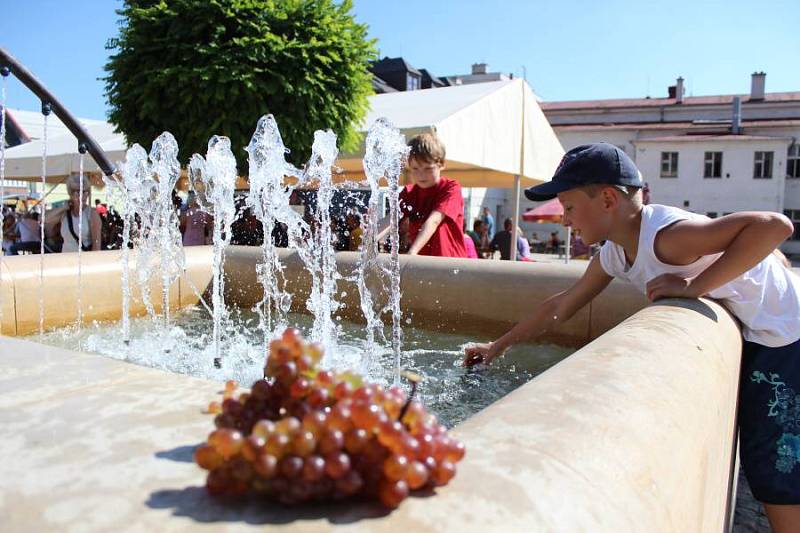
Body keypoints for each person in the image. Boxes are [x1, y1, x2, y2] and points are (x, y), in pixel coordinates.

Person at [464, 143, 800, 532]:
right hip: (761, 332)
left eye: (569, 208)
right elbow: (563, 304)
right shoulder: (614, 253)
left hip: (782, 334)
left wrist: (694, 286)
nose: (565, 221)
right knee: (766, 458)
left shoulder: (666, 236)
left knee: (775, 464)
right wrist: (497, 347)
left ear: (608, 199)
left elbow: (775, 226)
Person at [386, 132, 467, 257]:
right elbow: (390, 221)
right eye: (415, 168)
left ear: (442, 164)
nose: (421, 175)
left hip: (452, 265)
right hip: (422, 264)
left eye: (428, 169)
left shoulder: (451, 188)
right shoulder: (409, 192)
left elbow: (433, 221)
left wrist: (412, 252)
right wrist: (369, 240)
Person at [44, 175, 102, 252]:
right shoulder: (65, 213)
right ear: (70, 194)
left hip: (83, 260)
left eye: (85, 192)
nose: (82, 195)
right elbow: (44, 219)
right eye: (78, 192)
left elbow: (96, 245)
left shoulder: (92, 214)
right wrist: (63, 207)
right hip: (65, 259)